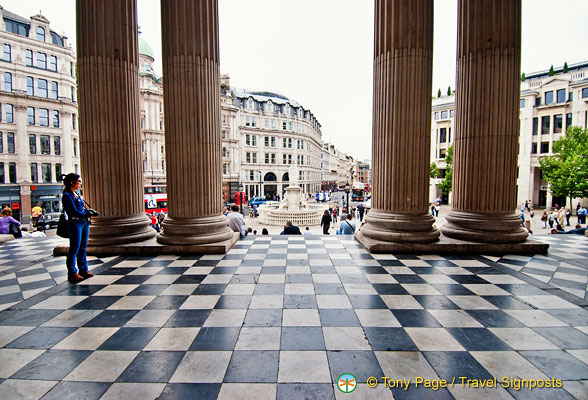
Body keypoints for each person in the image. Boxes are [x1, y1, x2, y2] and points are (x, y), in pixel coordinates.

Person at [61, 173, 93, 283]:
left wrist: (88, 212)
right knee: (74, 247)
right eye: (78, 181)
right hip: (75, 223)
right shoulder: (67, 195)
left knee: (83, 247)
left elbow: (80, 207)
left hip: (84, 222)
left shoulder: (76, 194)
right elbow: (72, 211)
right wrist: (85, 214)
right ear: (72, 182)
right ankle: (72, 272)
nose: (80, 184)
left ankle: (83, 269)